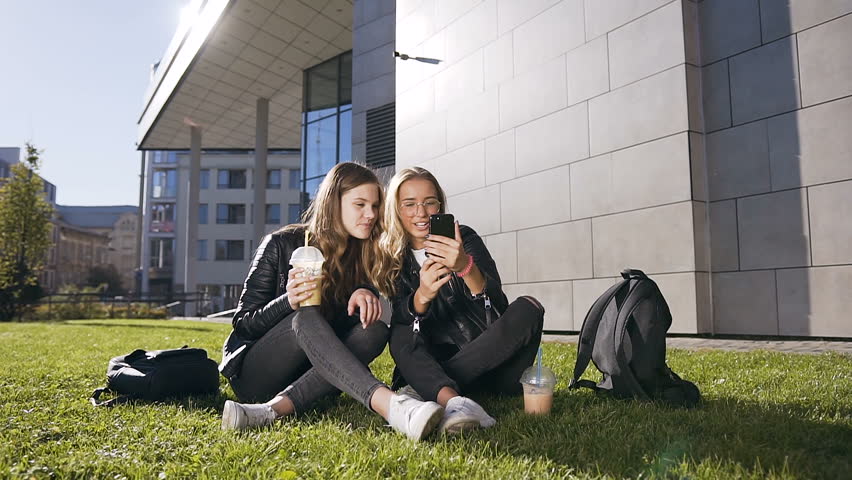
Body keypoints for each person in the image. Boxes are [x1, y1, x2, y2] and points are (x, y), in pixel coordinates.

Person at [219, 162, 444, 440]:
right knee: (305, 315)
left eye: (374, 206)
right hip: (259, 374)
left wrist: (365, 294)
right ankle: (392, 406)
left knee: (374, 331)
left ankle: (272, 410)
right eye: (359, 204)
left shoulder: (361, 254)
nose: (370, 214)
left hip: (314, 376)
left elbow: (342, 330)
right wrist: (288, 301)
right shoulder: (280, 244)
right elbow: (243, 324)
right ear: (332, 203)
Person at [381, 167, 545, 434]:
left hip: (493, 364)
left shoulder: (464, 238)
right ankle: (452, 400)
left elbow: (497, 306)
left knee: (529, 307)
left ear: (440, 206)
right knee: (401, 330)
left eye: (429, 202)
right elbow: (404, 328)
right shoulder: (391, 258)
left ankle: (425, 391)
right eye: (409, 204)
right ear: (396, 211)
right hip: (432, 360)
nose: (421, 212)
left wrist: (465, 266)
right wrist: (422, 296)